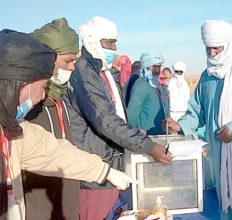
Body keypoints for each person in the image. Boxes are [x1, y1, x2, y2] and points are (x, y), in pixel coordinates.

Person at [0, 29, 137, 220]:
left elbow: (54, 152)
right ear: (20, 85)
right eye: (41, 87)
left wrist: (105, 172)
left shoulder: (14, 132)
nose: (41, 96)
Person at [63, 17, 172, 220]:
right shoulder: (84, 73)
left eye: (115, 42)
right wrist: (147, 146)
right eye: (109, 43)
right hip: (95, 172)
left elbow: (117, 115)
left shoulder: (103, 72)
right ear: (93, 42)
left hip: (112, 166)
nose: (114, 47)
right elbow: (106, 121)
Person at [165, 20, 232, 219]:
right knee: (226, 205)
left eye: (217, 48)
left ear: (229, 44)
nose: (212, 53)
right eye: (208, 49)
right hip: (219, 155)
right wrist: (180, 125)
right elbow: (197, 110)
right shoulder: (207, 77)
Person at [21, 17, 80, 220]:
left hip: (67, 205)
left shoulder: (60, 98)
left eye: (75, 61)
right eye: (67, 61)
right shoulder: (28, 105)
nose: (72, 67)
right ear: (47, 59)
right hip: (39, 210)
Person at [126, 50, 170, 135]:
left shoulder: (158, 86)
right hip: (146, 138)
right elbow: (131, 114)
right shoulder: (141, 84)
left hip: (161, 135)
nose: (157, 70)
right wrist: (136, 132)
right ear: (146, 65)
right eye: (154, 66)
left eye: (159, 67)